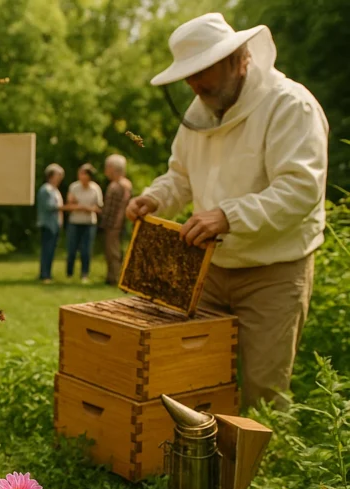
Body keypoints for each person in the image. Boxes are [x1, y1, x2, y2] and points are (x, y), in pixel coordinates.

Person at [126, 13, 328, 409]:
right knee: (197, 376)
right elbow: (181, 176)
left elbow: (301, 190)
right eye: (188, 75)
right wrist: (154, 197)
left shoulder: (289, 106)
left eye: (203, 71)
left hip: (274, 272)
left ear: (239, 58)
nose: (194, 84)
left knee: (262, 389)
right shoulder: (198, 114)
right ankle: (203, 465)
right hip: (211, 269)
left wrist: (228, 216)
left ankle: (261, 471)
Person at [63, 164, 104, 284]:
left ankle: (84, 274)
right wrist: (79, 206)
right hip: (75, 222)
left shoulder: (95, 189)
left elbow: (99, 208)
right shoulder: (74, 187)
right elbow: (69, 205)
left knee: (86, 250)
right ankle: (69, 274)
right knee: (71, 249)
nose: (81, 176)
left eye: (84, 174)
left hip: (89, 223)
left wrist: (87, 208)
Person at [100, 154, 133, 286]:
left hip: (115, 225)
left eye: (107, 167)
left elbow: (121, 208)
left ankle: (116, 278)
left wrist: (116, 225)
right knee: (109, 251)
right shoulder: (116, 184)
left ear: (112, 168)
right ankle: (111, 277)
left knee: (113, 252)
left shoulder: (122, 185)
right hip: (110, 224)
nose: (105, 170)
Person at [37, 164, 65, 283]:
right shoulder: (46, 189)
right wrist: (67, 207)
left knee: (51, 250)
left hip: (55, 224)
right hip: (48, 224)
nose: (60, 178)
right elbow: (49, 206)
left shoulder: (55, 190)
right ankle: (45, 275)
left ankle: (47, 273)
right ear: (51, 175)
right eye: (58, 175)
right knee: (47, 249)